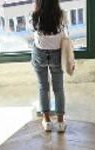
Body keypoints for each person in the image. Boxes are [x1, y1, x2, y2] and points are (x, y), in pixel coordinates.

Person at [31, 0, 67, 133]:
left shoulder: (35, 15)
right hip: (57, 55)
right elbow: (64, 34)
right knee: (58, 88)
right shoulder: (62, 15)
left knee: (43, 87)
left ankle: (46, 121)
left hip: (40, 54)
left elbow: (33, 34)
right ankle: (61, 123)